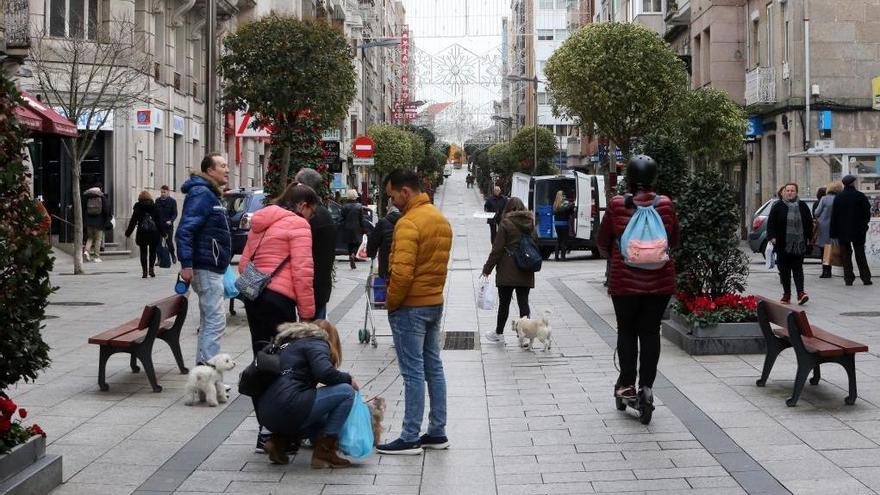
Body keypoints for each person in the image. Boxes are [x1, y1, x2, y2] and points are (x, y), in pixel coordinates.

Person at [377, 169, 452, 455]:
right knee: (433, 367)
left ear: (405, 192)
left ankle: (409, 436)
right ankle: (437, 431)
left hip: (411, 306)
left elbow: (402, 273)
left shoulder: (408, 223)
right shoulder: (439, 218)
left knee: (412, 373)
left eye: (392, 195)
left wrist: (392, 303)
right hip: (434, 302)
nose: (392, 201)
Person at [240, 182, 317, 452]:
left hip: (254, 296)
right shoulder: (298, 225)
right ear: (302, 205)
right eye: (311, 211)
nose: (310, 217)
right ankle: (281, 432)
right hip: (280, 301)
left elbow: (243, 264)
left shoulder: (262, 221)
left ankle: (264, 430)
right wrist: (307, 315)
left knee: (263, 361)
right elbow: (302, 272)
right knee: (285, 364)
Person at [597, 155, 679, 402]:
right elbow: (674, 241)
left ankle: (627, 385)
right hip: (660, 282)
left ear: (630, 178)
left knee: (627, 331)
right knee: (651, 332)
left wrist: (612, 255)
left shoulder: (617, 204)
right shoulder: (665, 204)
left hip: (625, 284)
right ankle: (647, 386)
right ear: (653, 177)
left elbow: (602, 241)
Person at [258, 321, 359, 467]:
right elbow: (324, 372)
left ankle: (278, 442)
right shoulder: (318, 342)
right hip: (289, 406)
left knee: (321, 416)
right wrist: (349, 379)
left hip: (267, 413)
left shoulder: (289, 343)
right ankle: (324, 452)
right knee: (346, 392)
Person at [176, 153, 232, 365]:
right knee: (215, 322)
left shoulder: (210, 193)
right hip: (206, 267)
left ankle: (203, 371)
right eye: (222, 165)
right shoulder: (202, 193)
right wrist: (186, 264)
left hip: (211, 266)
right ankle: (209, 371)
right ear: (210, 171)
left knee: (210, 321)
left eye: (227, 165)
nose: (227, 169)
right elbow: (184, 230)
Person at [481, 197, 536, 344]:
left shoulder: (506, 223)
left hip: (507, 269)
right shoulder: (530, 223)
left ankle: (499, 333)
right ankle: (525, 336)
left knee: (504, 304)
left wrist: (487, 269)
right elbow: (536, 242)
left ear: (508, 208)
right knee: (523, 303)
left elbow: (497, 249)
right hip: (525, 268)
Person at [295, 168, 337, 320]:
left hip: (311, 286)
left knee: (311, 332)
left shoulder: (312, 217)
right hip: (319, 285)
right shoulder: (323, 213)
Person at [767, 182, 813, 304]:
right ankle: (786, 294)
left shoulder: (802, 206)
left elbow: (808, 223)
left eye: (792, 190)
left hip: (799, 244)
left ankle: (801, 293)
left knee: (798, 269)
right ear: (784, 192)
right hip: (782, 244)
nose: (790, 192)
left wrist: (809, 237)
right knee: (784, 271)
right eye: (787, 190)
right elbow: (770, 223)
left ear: (796, 192)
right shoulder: (778, 206)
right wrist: (772, 237)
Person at [831, 175, 873, 286]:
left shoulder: (839, 197)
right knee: (860, 253)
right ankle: (866, 278)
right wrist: (864, 226)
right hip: (858, 230)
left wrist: (833, 233)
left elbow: (834, 216)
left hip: (842, 231)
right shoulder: (860, 196)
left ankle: (848, 278)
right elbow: (867, 213)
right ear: (853, 183)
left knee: (845, 255)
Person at [125, 191, 166, 278]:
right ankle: (151, 269)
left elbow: (133, 221)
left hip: (142, 232)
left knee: (143, 252)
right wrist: (163, 233)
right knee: (153, 251)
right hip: (153, 233)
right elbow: (159, 222)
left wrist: (128, 233)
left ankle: (144, 271)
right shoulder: (154, 206)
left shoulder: (138, 206)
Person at [813, 181, 841, 278]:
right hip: (836, 226)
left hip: (824, 226)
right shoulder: (839, 198)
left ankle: (826, 270)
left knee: (824, 249)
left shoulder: (824, 199)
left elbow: (817, 212)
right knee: (834, 247)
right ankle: (836, 268)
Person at [367, 205, 401, 280]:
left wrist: (371, 253)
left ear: (388, 208)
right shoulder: (409, 221)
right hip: (403, 263)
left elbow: (373, 241)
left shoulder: (383, 222)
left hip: (385, 263)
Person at [82, 182, 111, 262]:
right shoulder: (102, 196)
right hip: (99, 221)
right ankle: (96, 257)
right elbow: (106, 209)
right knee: (98, 239)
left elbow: (83, 208)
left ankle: (86, 251)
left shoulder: (86, 196)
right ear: (100, 188)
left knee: (90, 237)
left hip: (88, 221)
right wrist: (107, 218)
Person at [155, 185, 179, 264]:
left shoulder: (172, 201)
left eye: (164, 192)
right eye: (161, 192)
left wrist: (171, 221)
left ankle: (172, 255)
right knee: (158, 242)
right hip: (159, 225)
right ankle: (159, 259)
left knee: (169, 242)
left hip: (168, 225)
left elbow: (175, 213)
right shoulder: (157, 201)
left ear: (168, 192)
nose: (162, 194)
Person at [341, 189, 363, 270]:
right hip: (357, 227)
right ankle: (353, 255)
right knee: (357, 243)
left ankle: (351, 256)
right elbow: (361, 219)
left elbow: (342, 218)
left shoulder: (344, 206)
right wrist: (363, 228)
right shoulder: (359, 206)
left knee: (349, 244)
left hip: (347, 228)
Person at [552, 190, 574, 261]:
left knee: (558, 240)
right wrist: (572, 206)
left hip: (557, 224)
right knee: (564, 241)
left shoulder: (555, 203)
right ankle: (563, 257)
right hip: (564, 223)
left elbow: (554, 212)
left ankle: (556, 256)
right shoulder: (565, 202)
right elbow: (570, 211)